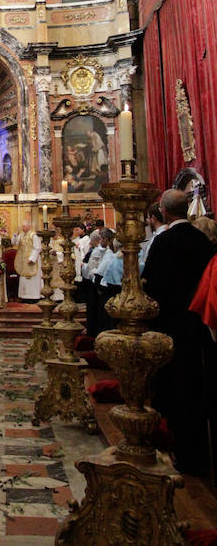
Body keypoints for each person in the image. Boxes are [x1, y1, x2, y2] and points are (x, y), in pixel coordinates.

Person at [143, 188, 215, 472]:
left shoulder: (164, 242)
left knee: (174, 388)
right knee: (199, 386)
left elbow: (150, 285)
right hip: (200, 324)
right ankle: (201, 452)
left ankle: (176, 447)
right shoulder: (204, 241)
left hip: (169, 326)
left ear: (163, 211)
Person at [12, 220, 42, 302]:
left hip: (32, 260)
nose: (22, 228)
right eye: (22, 226)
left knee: (32, 279)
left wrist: (32, 259)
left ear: (29, 226)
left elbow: (37, 248)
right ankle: (24, 296)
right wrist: (15, 235)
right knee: (24, 278)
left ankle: (34, 297)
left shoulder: (34, 236)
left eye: (24, 226)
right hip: (23, 260)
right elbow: (15, 243)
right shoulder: (21, 235)